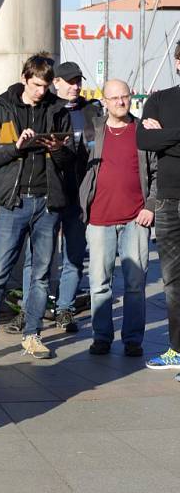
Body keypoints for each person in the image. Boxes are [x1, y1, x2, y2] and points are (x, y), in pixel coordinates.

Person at [0, 53, 74, 365]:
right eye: (37, 84)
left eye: (46, 85)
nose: (42, 90)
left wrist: (58, 149)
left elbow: (69, 160)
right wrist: (15, 148)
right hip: (14, 202)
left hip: (48, 202)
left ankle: (32, 334)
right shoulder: (1, 109)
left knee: (41, 274)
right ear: (25, 78)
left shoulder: (57, 111)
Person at [18, 61, 98, 334]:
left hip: (79, 193)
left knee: (74, 255)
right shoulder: (46, 109)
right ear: (57, 83)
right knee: (38, 258)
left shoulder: (91, 111)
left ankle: (65, 308)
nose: (75, 86)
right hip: (49, 193)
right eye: (70, 81)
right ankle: (30, 312)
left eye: (79, 81)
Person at [79, 79, 154, 356]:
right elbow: (76, 166)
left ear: (131, 97)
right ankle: (102, 337)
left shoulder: (143, 131)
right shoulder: (94, 131)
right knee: (100, 284)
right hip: (99, 219)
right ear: (105, 101)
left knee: (135, 284)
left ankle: (133, 339)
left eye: (124, 97)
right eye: (114, 98)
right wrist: (81, 203)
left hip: (137, 218)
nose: (120, 102)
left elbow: (156, 171)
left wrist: (152, 206)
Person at [137, 41, 180, 373]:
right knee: (172, 280)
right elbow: (144, 140)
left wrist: (166, 135)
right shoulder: (159, 99)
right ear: (177, 63)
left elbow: (158, 139)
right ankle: (176, 349)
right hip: (167, 199)